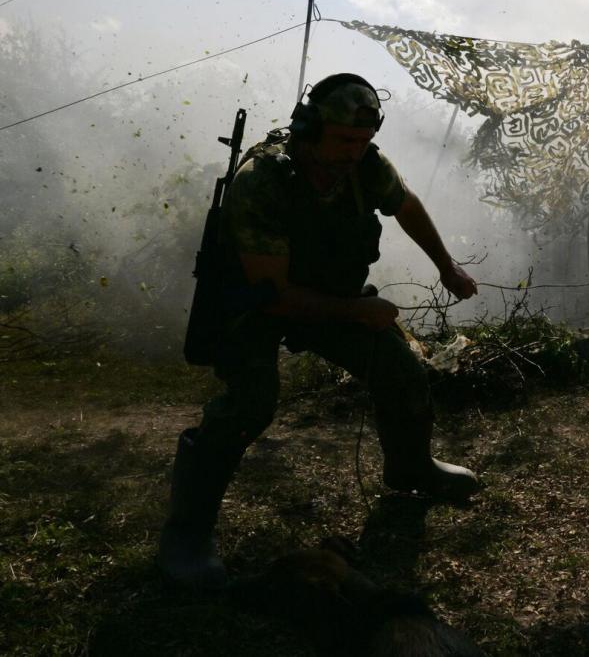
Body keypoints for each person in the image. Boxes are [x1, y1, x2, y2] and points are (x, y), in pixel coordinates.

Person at [159, 73, 479, 590]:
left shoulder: (364, 165)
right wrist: (357, 312)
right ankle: (186, 535)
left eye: (363, 141)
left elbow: (406, 204)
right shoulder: (263, 181)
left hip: (330, 297)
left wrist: (446, 265)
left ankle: (410, 468)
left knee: (399, 368)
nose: (356, 152)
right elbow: (276, 295)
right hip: (254, 306)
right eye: (344, 141)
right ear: (309, 130)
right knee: (249, 405)